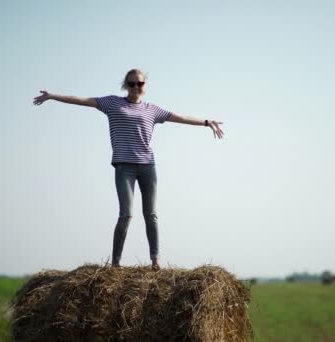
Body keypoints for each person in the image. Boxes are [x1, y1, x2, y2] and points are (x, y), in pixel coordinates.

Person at [32, 69, 224, 270]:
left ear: (144, 85)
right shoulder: (112, 103)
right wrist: (52, 96)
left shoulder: (152, 110)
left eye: (140, 84)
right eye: (132, 83)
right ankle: (115, 263)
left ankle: (155, 260)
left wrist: (206, 122)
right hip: (124, 166)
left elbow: (180, 117)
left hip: (148, 166)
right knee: (126, 214)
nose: (136, 87)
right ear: (126, 85)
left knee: (151, 213)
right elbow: (82, 100)